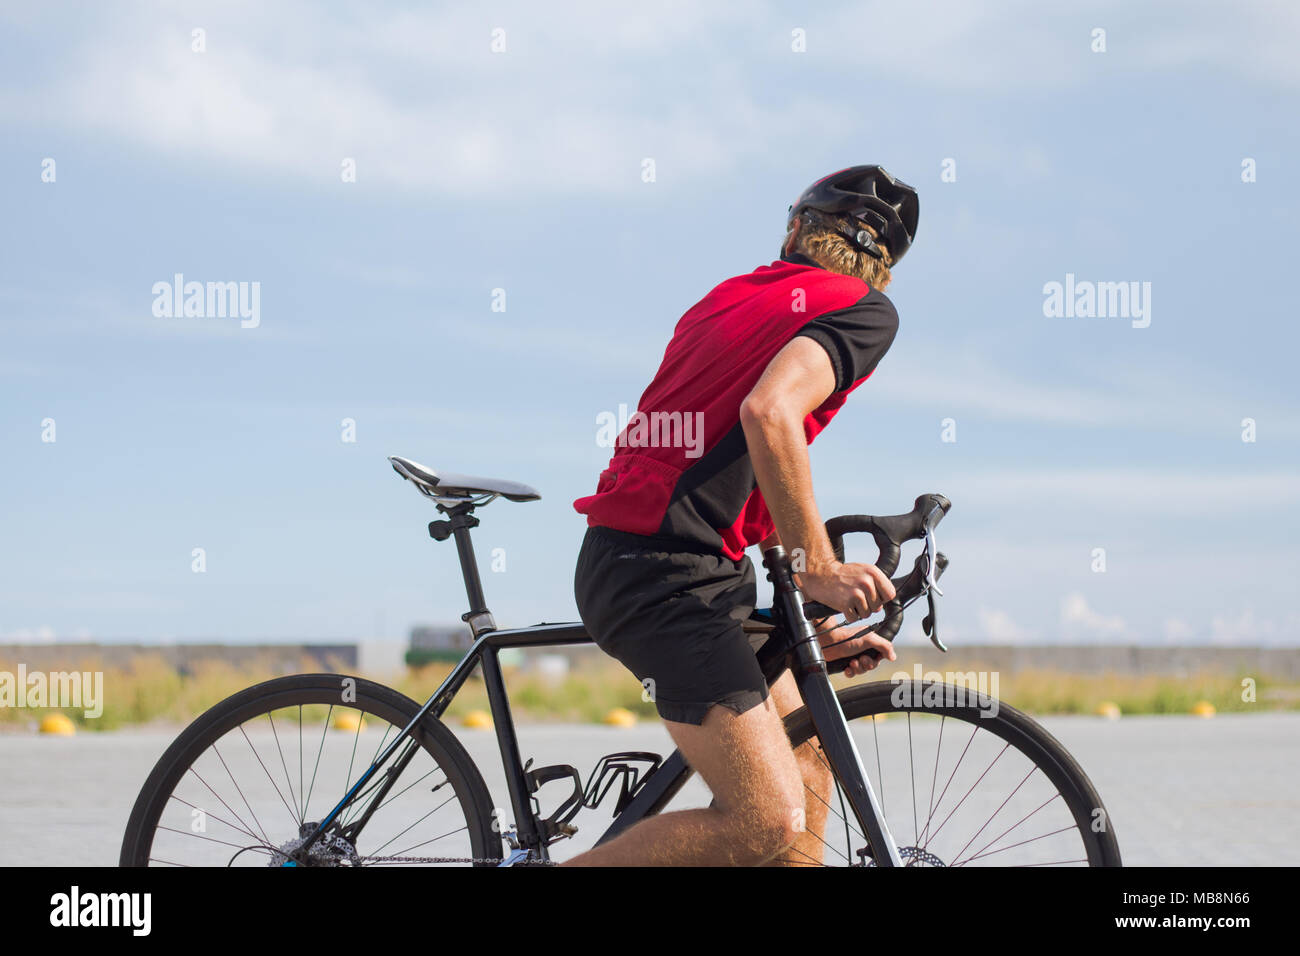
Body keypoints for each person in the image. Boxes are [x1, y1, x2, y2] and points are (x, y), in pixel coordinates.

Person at [568, 166, 919, 866]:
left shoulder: (726, 299)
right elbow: (769, 414)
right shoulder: (862, 308)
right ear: (883, 269)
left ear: (796, 229)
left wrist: (800, 623)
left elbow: (725, 473)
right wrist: (819, 567)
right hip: (666, 575)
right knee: (767, 820)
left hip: (662, 562)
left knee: (812, 760)